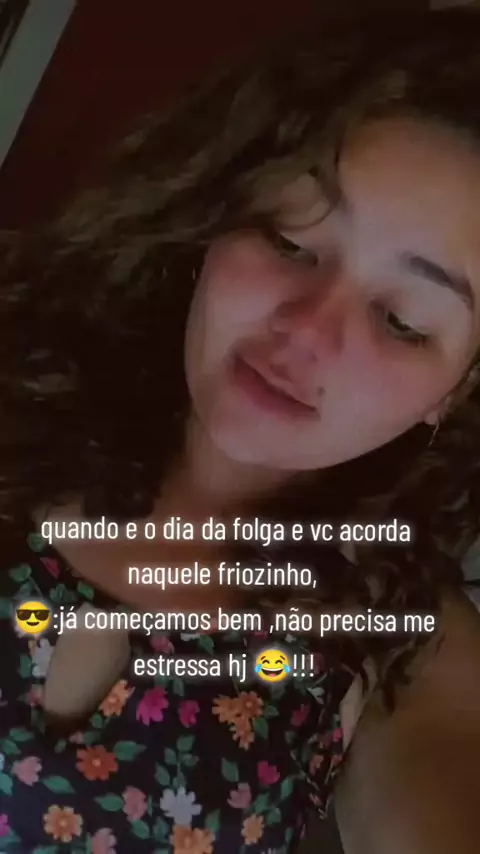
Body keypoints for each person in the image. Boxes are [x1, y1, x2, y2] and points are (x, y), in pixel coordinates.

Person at [0, 6, 479, 853]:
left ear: (456, 389)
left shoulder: (404, 637)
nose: (306, 331)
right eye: (289, 240)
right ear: (218, 218)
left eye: (403, 320)